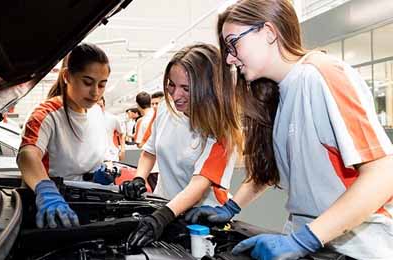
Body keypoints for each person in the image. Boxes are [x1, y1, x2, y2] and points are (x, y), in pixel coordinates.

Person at [187, 1, 393, 259]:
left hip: (360, 248)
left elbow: (384, 174)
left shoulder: (321, 74)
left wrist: (305, 239)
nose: (229, 58)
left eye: (233, 44)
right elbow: (268, 171)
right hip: (317, 242)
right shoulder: (279, 94)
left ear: (269, 33)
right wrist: (230, 208)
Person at [122, 43, 243, 247]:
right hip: (163, 208)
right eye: (171, 85)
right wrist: (140, 178)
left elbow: (200, 183)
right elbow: (149, 152)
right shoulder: (164, 110)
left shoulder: (222, 129)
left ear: (209, 88)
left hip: (202, 221)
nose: (175, 95)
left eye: (186, 88)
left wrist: (161, 218)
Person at [17, 43, 110, 229]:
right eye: (88, 82)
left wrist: (102, 172)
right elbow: (27, 155)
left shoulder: (97, 112)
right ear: (67, 76)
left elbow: (97, 155)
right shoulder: (47, 114)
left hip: (89, 203)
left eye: (102, 84)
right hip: (53, 210)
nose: (95, 92)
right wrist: (46, 191)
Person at [97, 96, 126, 161]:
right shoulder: (88, 120)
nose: (99, 109)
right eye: (96, 107)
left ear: (104, 106)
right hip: (95, 157)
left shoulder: (113, 119)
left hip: (111, 155)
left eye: (101, 106)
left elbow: (122, 134)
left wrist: (122, 150)